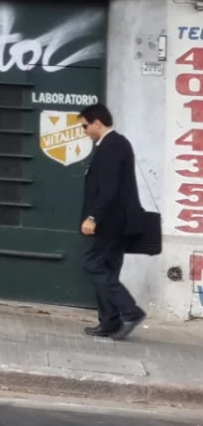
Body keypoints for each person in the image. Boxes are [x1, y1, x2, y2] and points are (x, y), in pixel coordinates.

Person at [78, 103, 146, 340]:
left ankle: (131, 311)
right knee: (108, 270)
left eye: (85, 126)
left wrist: (92, 217)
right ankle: (110, 322)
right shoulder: (116, 144)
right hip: (117, 223)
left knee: (92, 264)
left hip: (109, 223)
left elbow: (109, 189)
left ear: (97, 123)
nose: (84, 131)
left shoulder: (112, 146)